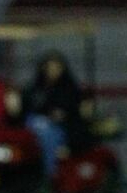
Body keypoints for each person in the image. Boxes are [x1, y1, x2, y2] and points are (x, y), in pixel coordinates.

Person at [23, 51, 83, 183]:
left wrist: (60, 114)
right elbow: (29, 105)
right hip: (35, 124)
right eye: (50, 67)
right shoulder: (36, 87)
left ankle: (48, 176)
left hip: (61, 129)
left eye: (56, 68)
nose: (53, 71)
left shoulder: (69, 88)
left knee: (47, 136)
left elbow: (71, 113)